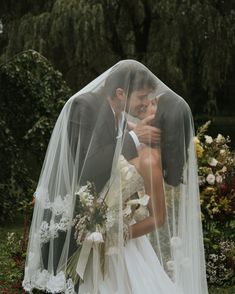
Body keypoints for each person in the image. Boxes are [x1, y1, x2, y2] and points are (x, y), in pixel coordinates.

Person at [23, 60, 208, 294]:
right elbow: (86, 168)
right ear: (121, 93)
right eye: (142, 97)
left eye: (150, 101)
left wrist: (116, 229)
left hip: (106, 229)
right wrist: (133, 138)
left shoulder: (119, 115)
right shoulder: (84, 105)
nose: (145, 104)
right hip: (72, 216)